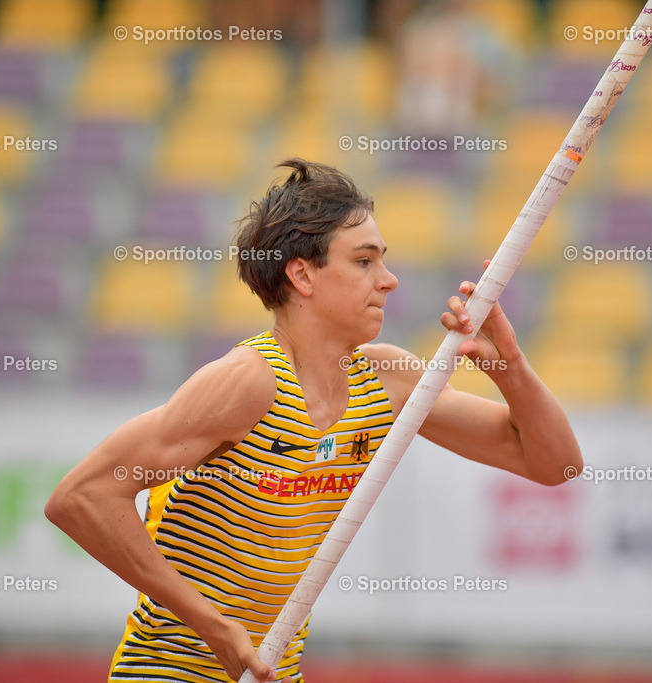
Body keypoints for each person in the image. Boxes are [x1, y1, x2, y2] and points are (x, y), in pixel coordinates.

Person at [45, 158, 583, 682]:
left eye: (383, 261)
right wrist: (213, 626)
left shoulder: (388, 380)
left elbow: (555, 466)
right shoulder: (247, 383)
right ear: (302, 274)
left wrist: (510, 368)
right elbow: (81, 498)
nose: (390, 281)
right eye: (364, 262)